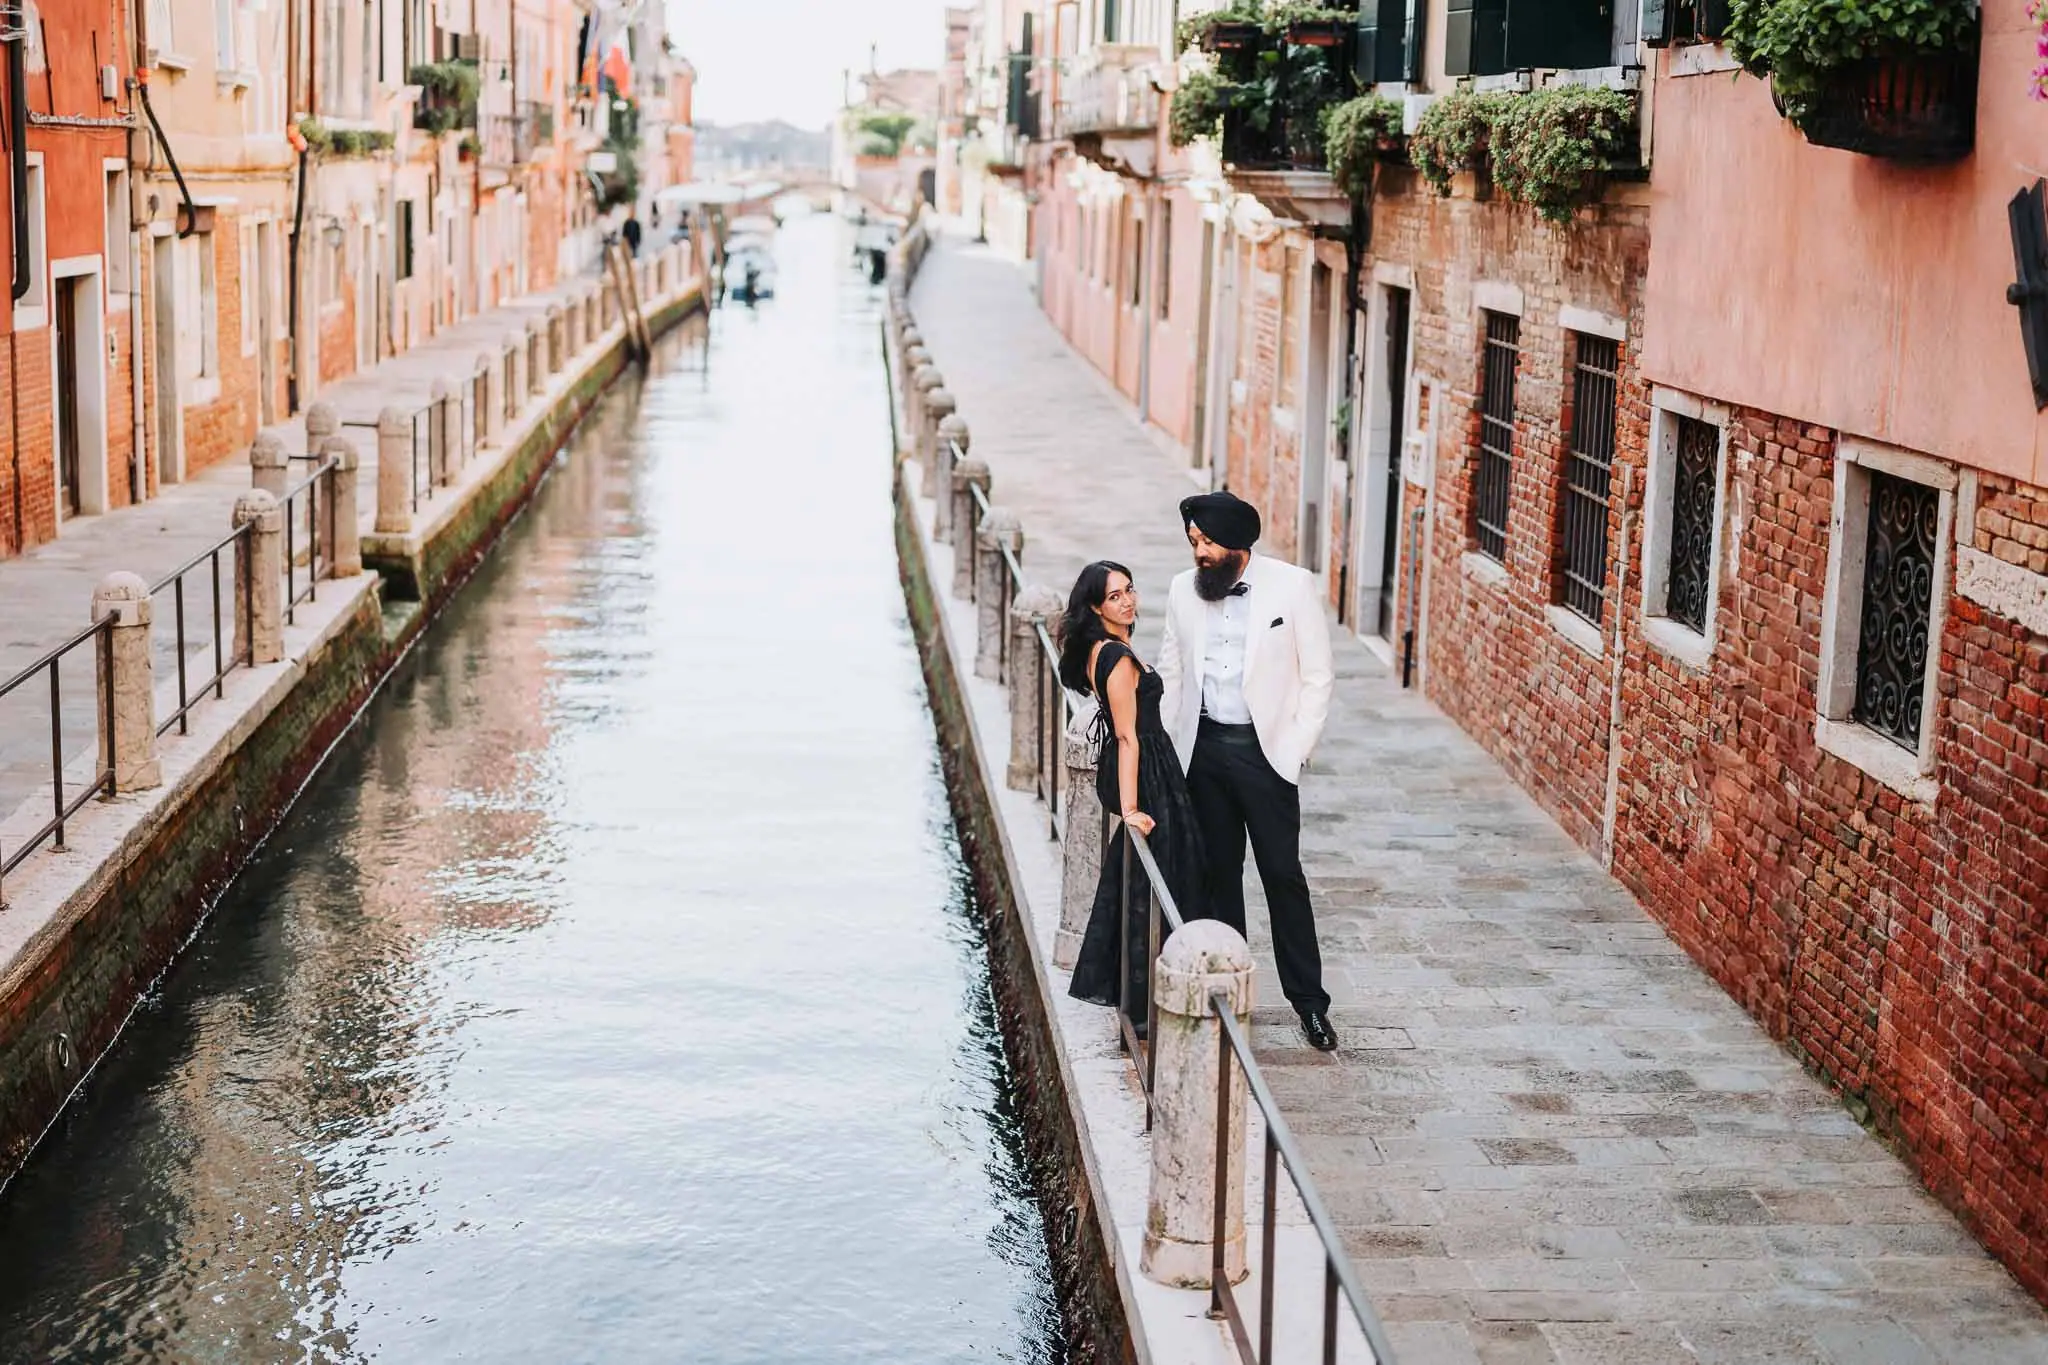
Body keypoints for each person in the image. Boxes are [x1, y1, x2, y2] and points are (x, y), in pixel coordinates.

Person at [1156, 491, 1339, 1051]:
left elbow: (1319, 677)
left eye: (1207, 543)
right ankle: (1229, 996)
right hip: (1204, 751)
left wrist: (1294, 751)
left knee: (1283, 876)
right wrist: (1168, 746)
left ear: (1238, 544)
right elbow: (1172, 669)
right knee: (1218, 875)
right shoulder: (1182, 591)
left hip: (1266, 758)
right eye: (1193, 543)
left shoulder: (1292, 585)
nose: (1199, 553)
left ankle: (1310, 1005)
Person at [1060, 561, 1206, 1035]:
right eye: (1115, 596)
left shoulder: (1102, 649)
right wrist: (1131, 810)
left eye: (1129, 591)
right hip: (1148, 773)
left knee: (1145, 881)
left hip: (1150, 766)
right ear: (1096, 607)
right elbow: (1127, 738)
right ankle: (1146, 1005)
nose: (1128, 601)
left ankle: (1148, 993)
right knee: (1162, 876)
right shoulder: (1117, 658)